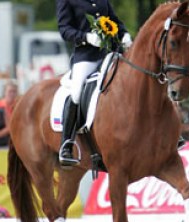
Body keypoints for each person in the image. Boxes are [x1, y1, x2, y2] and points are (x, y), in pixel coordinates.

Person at [56, 0, 132, 166]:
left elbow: (113, 20)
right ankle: (67, 144)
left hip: (110, 53)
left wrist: (124, 33)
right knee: (76, 93)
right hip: (86, 56)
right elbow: (64, 30)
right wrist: (86, 38)